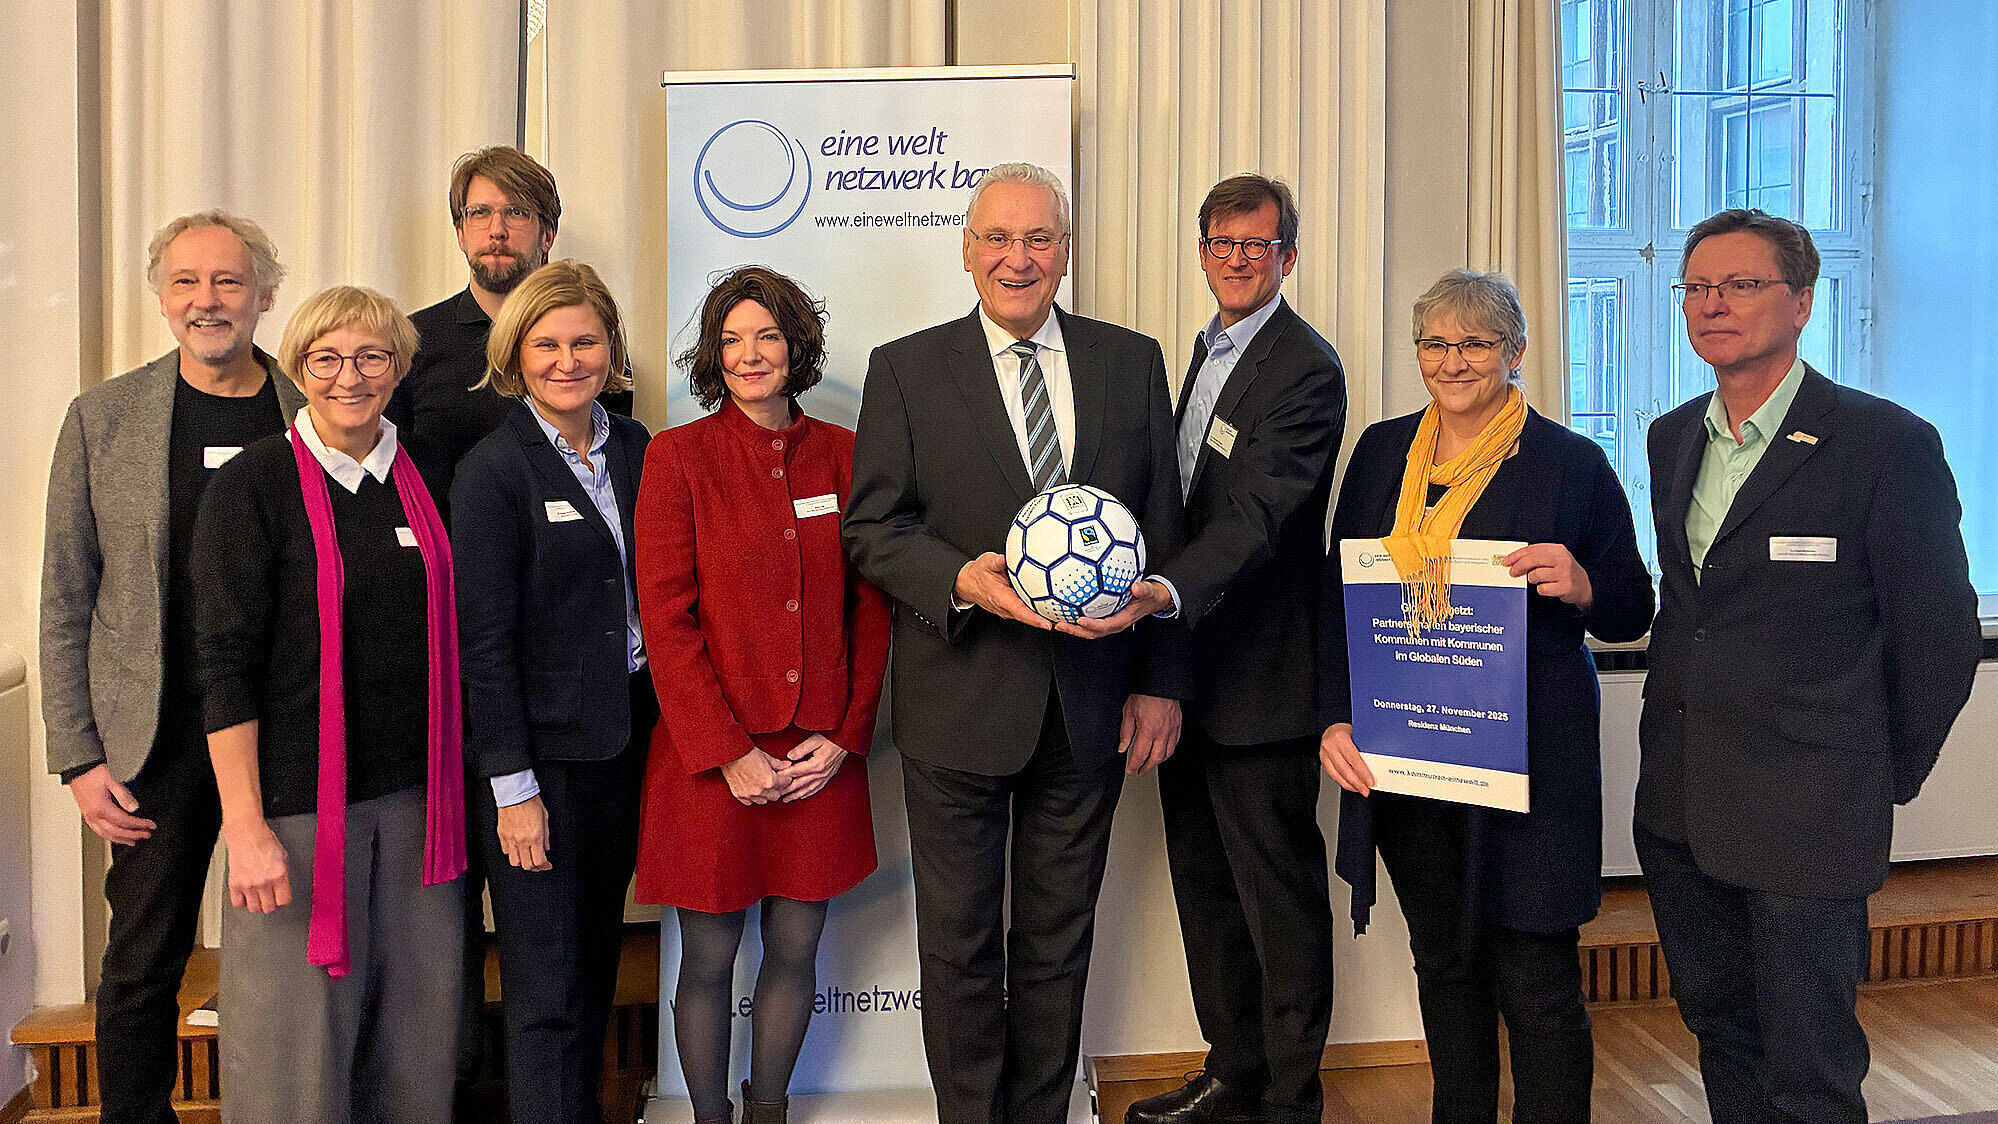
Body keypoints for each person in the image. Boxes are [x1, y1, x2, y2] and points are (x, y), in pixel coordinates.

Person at [843, 162, 1190, 1124]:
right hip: (956, 702)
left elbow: (1164, 527)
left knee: (1056, 940)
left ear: (1065, 250)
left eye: (1038, 238)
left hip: (1088, 707)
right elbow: (874, 528)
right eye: (998, 238)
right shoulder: (907, 368)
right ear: (967, 250)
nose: (1018, 258)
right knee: (956, 946)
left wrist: (1160, 681)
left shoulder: (1131, 363)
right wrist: (962, 579)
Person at [1636, 209, 1980, 1124]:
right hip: (1680, 801)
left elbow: (1939, 635)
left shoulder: (1883, 444)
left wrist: (1872, 770)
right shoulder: (1674, 439)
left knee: (1811, 1066)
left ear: (1801, 304)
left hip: (1811, 811)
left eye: (1741, 285)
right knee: (1721, 1031)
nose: (1714, 304)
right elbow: (1693, 615)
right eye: (1698, 288)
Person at [1319, 269, 1655, 1123]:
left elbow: (1633, 603)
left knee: (1536, 975)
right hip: (1408, 758)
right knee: (1445, 964)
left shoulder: (1570, 462)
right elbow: (1338, 598)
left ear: (1516, 352)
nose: (1454, 361)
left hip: (1530, 762)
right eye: (1437, 343)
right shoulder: (1381, 453)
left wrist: (1581, 583)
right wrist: (1332, 715)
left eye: (1476, 343)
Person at [39, 210, 303, 1124]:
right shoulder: (102, 419)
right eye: (186, 282)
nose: (207, 300)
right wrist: (78, 756)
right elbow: (67, 595)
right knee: (144, 961)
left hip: (285, 735)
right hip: (148, 742)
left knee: (296, 952)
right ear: (160, 296)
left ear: (266, 295)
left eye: (229, 282)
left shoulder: (312, 410)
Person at [193, 285, 467, 1123]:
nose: (350, 377)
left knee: (417, 1046)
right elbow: (224, 665)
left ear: (398, 369)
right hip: (296, 816)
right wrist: (245, 829)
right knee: (294, 1057)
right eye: (327, 358)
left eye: (372, 357)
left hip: (422, 808)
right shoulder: (253, 487)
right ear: (298, 368)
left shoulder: (430, 474)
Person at [635, 266, 891, 1124]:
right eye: (732, 339)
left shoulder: (847, 455)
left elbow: (871, 609)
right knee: (707, 957)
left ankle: (767, 1109)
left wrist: (848, 736)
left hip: (819, 752)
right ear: (713, 354)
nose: (750, 355)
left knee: (796, 944)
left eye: (768, 336)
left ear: (796, 347)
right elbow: (665, 622)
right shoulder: (677, 457)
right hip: (713, 758)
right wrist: (728, 752)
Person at [1120, 174, 1346, 1124]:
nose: (1239, 259)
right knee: (1206, 892)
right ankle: (1234, 1071)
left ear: (1288, 255)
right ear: (1202, 253)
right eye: (1223, 244)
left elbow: (1253, 514)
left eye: (1259, 245)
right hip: (1188, 678)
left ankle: (1294, 1101)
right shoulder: (1202, 351)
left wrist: (1162, 592)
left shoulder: (1304, 366)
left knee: (1278, 907)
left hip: (1264, 683)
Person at [451, 260, 654, 1124]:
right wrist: (514, 789)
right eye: (546, 345)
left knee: (595, 974)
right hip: (541, 770)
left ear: (610, 348)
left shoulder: (639, 449)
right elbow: (483, 647)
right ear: (515, 354)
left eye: (584, 341)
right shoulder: (493, 470)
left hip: (624, 747)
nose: (567, 360)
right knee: (545, 996)